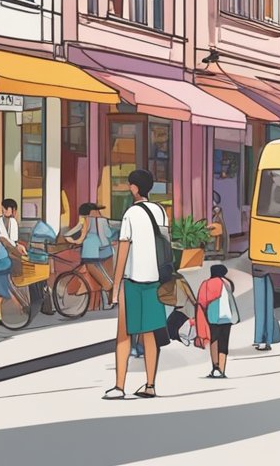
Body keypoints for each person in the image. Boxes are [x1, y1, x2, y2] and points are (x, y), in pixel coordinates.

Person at [105, 169, 168, 400]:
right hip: (155, 279)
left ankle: (119, 386)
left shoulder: (131, 213)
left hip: (132, 280)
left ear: (134, 187)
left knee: (124, 334)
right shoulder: (161, 211)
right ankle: (150, 385)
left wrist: (115, 285)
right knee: (149, 333)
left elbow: (123, 249)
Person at [65, 202, 115, 310]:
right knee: (105, 275)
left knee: (96, 274)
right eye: (97, 211)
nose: (98, 213)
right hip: (105, 250)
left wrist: (74, 241)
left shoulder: (84, 219)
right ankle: (107, 299)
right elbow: (109, 234)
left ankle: (105, 297)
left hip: (90, 251)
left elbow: (71, 234)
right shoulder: (103, 220)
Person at [196, 264, 238, 378]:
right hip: (227, 317)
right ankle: (222, 369)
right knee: (224, 343)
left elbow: (202, 301)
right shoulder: (227, 283)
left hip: (213, 317)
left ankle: (215, 368)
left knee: (214, 341)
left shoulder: (207, 283)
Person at [0, 199, 27, 322]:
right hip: (0, 256)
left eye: (7, 208)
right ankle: (18, 306)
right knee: (4, 285)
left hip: (6, 257)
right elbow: (7, 241)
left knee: (3, 284)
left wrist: (16, 247)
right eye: (4, 208)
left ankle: (16, 306)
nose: (4, 210)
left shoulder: (12, 222)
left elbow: (13, 242)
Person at [252, 265, 280, 351]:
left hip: (259, 272)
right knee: (268, 309)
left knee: (261, 311)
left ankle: (261, 341)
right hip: (271, 270)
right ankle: (267, 340)